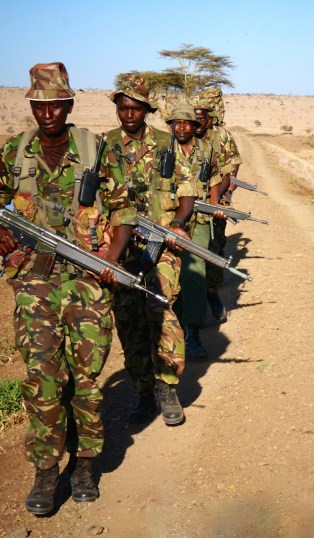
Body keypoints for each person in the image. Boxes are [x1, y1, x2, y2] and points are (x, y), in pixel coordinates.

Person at [0, 62, 136, 514]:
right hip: (34, 280)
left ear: (68, 105)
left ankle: (86, 463)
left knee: (87, 378)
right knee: (42, 377)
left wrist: (110, 261)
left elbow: (123, 210)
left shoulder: (95, 150)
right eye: (39, 104)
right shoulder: (17, 150)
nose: (47, 112)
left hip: (88, 280)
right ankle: (47, 470)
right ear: (32, 107)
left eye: (55, 104)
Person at [106, 74, 197, 427]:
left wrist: (178, 224)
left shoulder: (166, 143)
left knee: (162, 309)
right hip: (120, 247)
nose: (129, 114)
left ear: (146, 110)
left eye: (135, 108)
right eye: (123, 107)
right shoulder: (104, 145)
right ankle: (143, 391)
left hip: (163, 247)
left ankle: (167, 386)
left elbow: (187, 190)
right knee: (128, 321)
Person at [167, 103, 224, 359]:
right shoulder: (162, 149)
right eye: (176, 123)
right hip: (168, 219)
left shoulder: (206, 149)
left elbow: (213, 181)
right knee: (171, 276)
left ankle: (192, 331)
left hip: (199, 219)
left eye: (186, 123)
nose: (181, 128)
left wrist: (216, 206)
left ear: (194, 126)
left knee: (194, 274)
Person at [192, 87, 242, 323]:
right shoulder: (184, 136)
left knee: (214, 249)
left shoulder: (221, 137)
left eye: (202, 119)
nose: (197, 123)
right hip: (188, 205)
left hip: (215, 202)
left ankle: (211, 295)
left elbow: (232, 168)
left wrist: (220, 194)